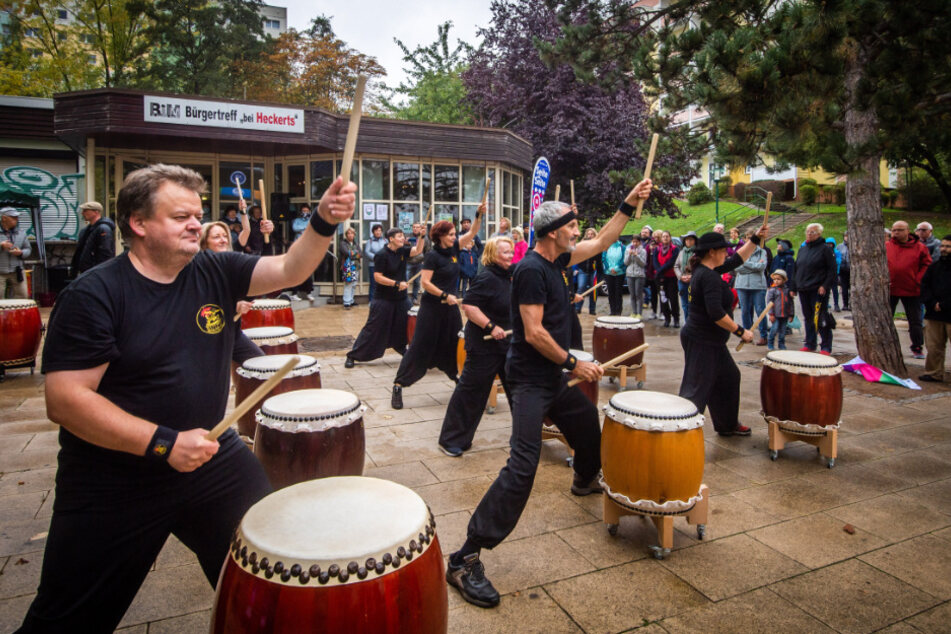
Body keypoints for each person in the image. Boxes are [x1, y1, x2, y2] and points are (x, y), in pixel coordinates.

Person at [17, 163, 356, 632]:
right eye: (180, 216)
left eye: (197, 215)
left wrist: (323, 220)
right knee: (68, 618)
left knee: (271, 572)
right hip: (115, 476)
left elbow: (289, 268)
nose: (196, 223)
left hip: (210, 458)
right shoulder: (95, 295)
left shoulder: (214, 270)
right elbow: (67, 399)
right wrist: (163, 444)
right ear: (138, 224)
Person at [445, 179, 652, 608]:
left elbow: (607, 237)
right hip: (530, 381)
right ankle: (465, 558)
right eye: (573, 226)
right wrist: (574, 363)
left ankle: (582, 480)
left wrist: (629, 201)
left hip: (553, 378)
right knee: (523, 466)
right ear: (554, 231)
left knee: (587, 427)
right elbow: (535, 333)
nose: (579, 232)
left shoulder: (560, 260)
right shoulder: (531, 271)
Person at [678, 226, 768, 437]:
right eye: (723, 250)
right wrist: (740, 331)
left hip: (711, 341)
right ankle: (680, 431)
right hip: (702, 340)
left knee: (728, 377)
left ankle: (727, 424)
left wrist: (754, 239)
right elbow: (716, 313)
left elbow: (736, 259)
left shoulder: (708, 269)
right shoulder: (707, 276)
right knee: (697, 387)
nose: (726, 253)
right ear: (712, 252)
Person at [391, 207, 484, 409]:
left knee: (455, 343)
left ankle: (459, 379)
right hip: (432, 309)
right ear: (441, 236)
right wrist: (444, 295)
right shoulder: (432, 256)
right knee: (419, 346)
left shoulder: (455, 249)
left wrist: (478, 215)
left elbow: (473, 232)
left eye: (454, 234)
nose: (454, 237)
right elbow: (425, 283)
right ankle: (399, 385)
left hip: (449, 310)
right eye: (451, 234)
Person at [437, 236, 515, 456]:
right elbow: (469, 306)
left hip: (509, 344)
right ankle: (451, 439)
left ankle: (524, 439)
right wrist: (491, 326)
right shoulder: (486, 277)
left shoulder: (511, 275)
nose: (510, 255)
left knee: (519, 392)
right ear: (492, 254)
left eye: (511, 251)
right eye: (505, 252)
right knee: (471, 394)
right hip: (484, 345)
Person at [345, 227, 425, 368]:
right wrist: (396, 283)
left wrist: (422, 237)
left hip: (401, 299)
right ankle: (353, 355)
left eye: (403, 236)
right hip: (383, 299)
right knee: (373, 328)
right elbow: (378, 277)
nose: (403, 238)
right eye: (399, 236)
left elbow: (417, 251)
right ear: (391, 239)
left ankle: (401, 348)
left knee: (406, 324)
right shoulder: (382, 255)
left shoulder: (402, 250)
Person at [199, 220, 271, 364]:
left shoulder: (232, 264)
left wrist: (266, 238)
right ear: (204, 242)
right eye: (216, 237)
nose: (223, 240)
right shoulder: (197, 267)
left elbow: (263, 267)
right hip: (205, 337)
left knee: (262, 366)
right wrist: (233, 306)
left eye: (225, 236)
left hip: (232, 334)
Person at [886, 220, 932, 359]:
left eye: (899, 230)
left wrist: (918, 280)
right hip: (890, 289)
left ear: (908, 231)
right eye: (894, 230)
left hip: (912, 290)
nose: (896, 233)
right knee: (886, 319)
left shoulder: (920, 247)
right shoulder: (886, 246)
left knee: (915, 320)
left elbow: (927, 265)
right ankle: (887, 345)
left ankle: (917, 347)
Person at [790, 223, 837, 354]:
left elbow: (832, 270)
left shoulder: (825, 249)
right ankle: (810, 343)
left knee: (820, 317)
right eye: (808, 231)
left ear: (819, 234)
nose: (809, 234)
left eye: (812, 232)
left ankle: (826, 345)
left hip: (818, 289)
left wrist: (825, 285)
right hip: (804, 288)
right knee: (808, 317)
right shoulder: (803, 249)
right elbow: (796, 269)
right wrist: (793, 287)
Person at [919, 235, 951, 382]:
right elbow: (924, 285)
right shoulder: (935, 266)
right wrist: (932, 303)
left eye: (948, 247)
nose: (944, 249)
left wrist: (944, 304)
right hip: (934, 314)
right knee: (934, 346)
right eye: (942, 246)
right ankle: (934, 372)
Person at [734, 230, 769, 345]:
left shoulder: (762, 252)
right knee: (745, 311)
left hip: (758, 285)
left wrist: (745, 263)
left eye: (752, 237)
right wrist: (754, 266)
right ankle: (746, 334)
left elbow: (762, 266)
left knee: (760, 310)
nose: (749, 240)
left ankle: (764, 335)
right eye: (747, 237)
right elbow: (737, 268)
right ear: (744, 239)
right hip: (742, 285)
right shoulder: (740, 252)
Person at [70, 201, 116, 277]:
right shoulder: (86, 230)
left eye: (85, 210)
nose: (82, 213)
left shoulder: (103, 229)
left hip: (96, 273)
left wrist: (99, 273)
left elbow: (106, 254)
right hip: (87, 272)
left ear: (96, 212)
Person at [0, 207, 31, 299]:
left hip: (17, 270)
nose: (16, 219)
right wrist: (1, 246)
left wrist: (21, 253)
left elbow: (28, 249)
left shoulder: (21, 233)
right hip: (0, 271)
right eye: (13, 217)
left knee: (23, 296)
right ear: (4, 218)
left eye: (17, 217)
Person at [652, 230, 681, 327]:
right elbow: (655, 261)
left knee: (673, 298)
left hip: (671, 277)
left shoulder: (674, 249)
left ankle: (676, 319)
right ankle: (667, 318)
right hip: (660, 278)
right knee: (663, 299)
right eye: (663, 236)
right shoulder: (657, 249)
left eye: (667, 236)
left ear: (670, 237)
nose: (665, 238)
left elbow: (671, 262)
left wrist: (660, 270)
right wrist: (659, 272)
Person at [290, 204, 316, 301]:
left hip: (308, 248)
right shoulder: (297, 220)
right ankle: (294, 292)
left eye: (307, 211)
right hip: (298, 248)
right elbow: (295, 228)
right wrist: (305, 228)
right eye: (303, 210)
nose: (305, 212)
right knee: (296, 271)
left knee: (308, 271)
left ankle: (308, 292)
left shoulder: (312, 220)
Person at [573, 227, 600, 314]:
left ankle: (592, 309)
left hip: (593, 270)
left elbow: (599, 259)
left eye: (592, 234)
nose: (590, 235)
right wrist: (577, 268)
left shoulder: (597, 245)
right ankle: (577, 308)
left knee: (594, 290)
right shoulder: (582, 244)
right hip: (583, 270)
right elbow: (577, 256)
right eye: (589, 234)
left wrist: (600, 272)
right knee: (581, 288)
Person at [766, 269, 794, 350]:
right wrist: (771, 314)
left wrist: (791, 314)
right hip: (775, 315)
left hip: (785, 315)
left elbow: (791, 303)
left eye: (778, 279)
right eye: (775, 279)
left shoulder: (787, 290)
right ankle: (770, 343)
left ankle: (781, 344)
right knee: (774, 329)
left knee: (782, 331)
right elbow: (769, 303)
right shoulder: (772, 290)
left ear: (784, 280)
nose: (776, 281)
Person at [674, 231, 697, 321]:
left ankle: (693, 322)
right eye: (687, 239)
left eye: (691, 239)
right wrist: (680, 276)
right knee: (684, 304)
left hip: (694, 281)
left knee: (693, 303)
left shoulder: (697, 253)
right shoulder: (681, 252)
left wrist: (692, 276)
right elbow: (676, 266)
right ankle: (687, 321)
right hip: (682, 281)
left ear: (695, 241)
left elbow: (701, 267)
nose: (688, 241)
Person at [602, 235, 626, 316]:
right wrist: (609, 268)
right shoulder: (606, 247)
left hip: (619, 273)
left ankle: (618, 310)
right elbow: (604, 258)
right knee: (611, 292)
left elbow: (624, 259)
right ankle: (612, 310)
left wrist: (616, 268)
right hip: (609, 273)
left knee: (618, 292)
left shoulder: (622, 247)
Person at [625, 234, 647, 318]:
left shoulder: (643, 251)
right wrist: (630, 255)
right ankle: (634, 312)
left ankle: (639, 313)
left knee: (638, 294)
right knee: (632, 294)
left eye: (636, 242)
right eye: (633, 241)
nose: (634, 243)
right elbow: (626, 263)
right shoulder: (627, 250)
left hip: (639, 275)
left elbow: (643, 263)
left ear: (640, 242)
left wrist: (636, 256)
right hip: (630, 274)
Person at [339, 226, 361, 308]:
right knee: (348, 283)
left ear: (354, 235)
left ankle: (351, 300)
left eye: (352, 233)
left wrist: (353, 253)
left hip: (356, 265)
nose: (350, 235)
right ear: (346, 235)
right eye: (348, 233)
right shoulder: (343, 243)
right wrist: (355, 253)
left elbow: (361, 254)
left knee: (354, 284)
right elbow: (346, 252)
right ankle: (347, 302)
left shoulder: (356, 243)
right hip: (347, 266)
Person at [364, 223, 387, 302]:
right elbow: (367, 252)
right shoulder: (369, 241)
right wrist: (376, 258)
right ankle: (372, 301)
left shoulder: (385, 240)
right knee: (373, 284)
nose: (378, 232)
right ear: (373, 232)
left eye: (380, 231)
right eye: (376, 230)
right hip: (373, 265)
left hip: (384, 266)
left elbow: (387, 251)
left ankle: (382, 299)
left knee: (383, 283)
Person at [406, 222, 428, 302]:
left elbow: (427, 250)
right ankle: (404, 298)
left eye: (417, 227)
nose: (415, 229)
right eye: (414, 227)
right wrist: (406, 244)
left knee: (416, 281)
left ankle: (414, 298)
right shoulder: (408, 237)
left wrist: (425, 261)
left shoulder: (424, 238)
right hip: (408, 262)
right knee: (406, 280)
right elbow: (403, 249)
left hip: (419, 262)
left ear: (420, 228)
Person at [837, 233, 851, 311]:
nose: (847, 238)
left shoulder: (854, 245)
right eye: (846, 236)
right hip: (842, 270)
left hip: (851, 269)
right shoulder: (840, 246)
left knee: (852, 288)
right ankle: (845, 304)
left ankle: (851, 304)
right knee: (844, 287)